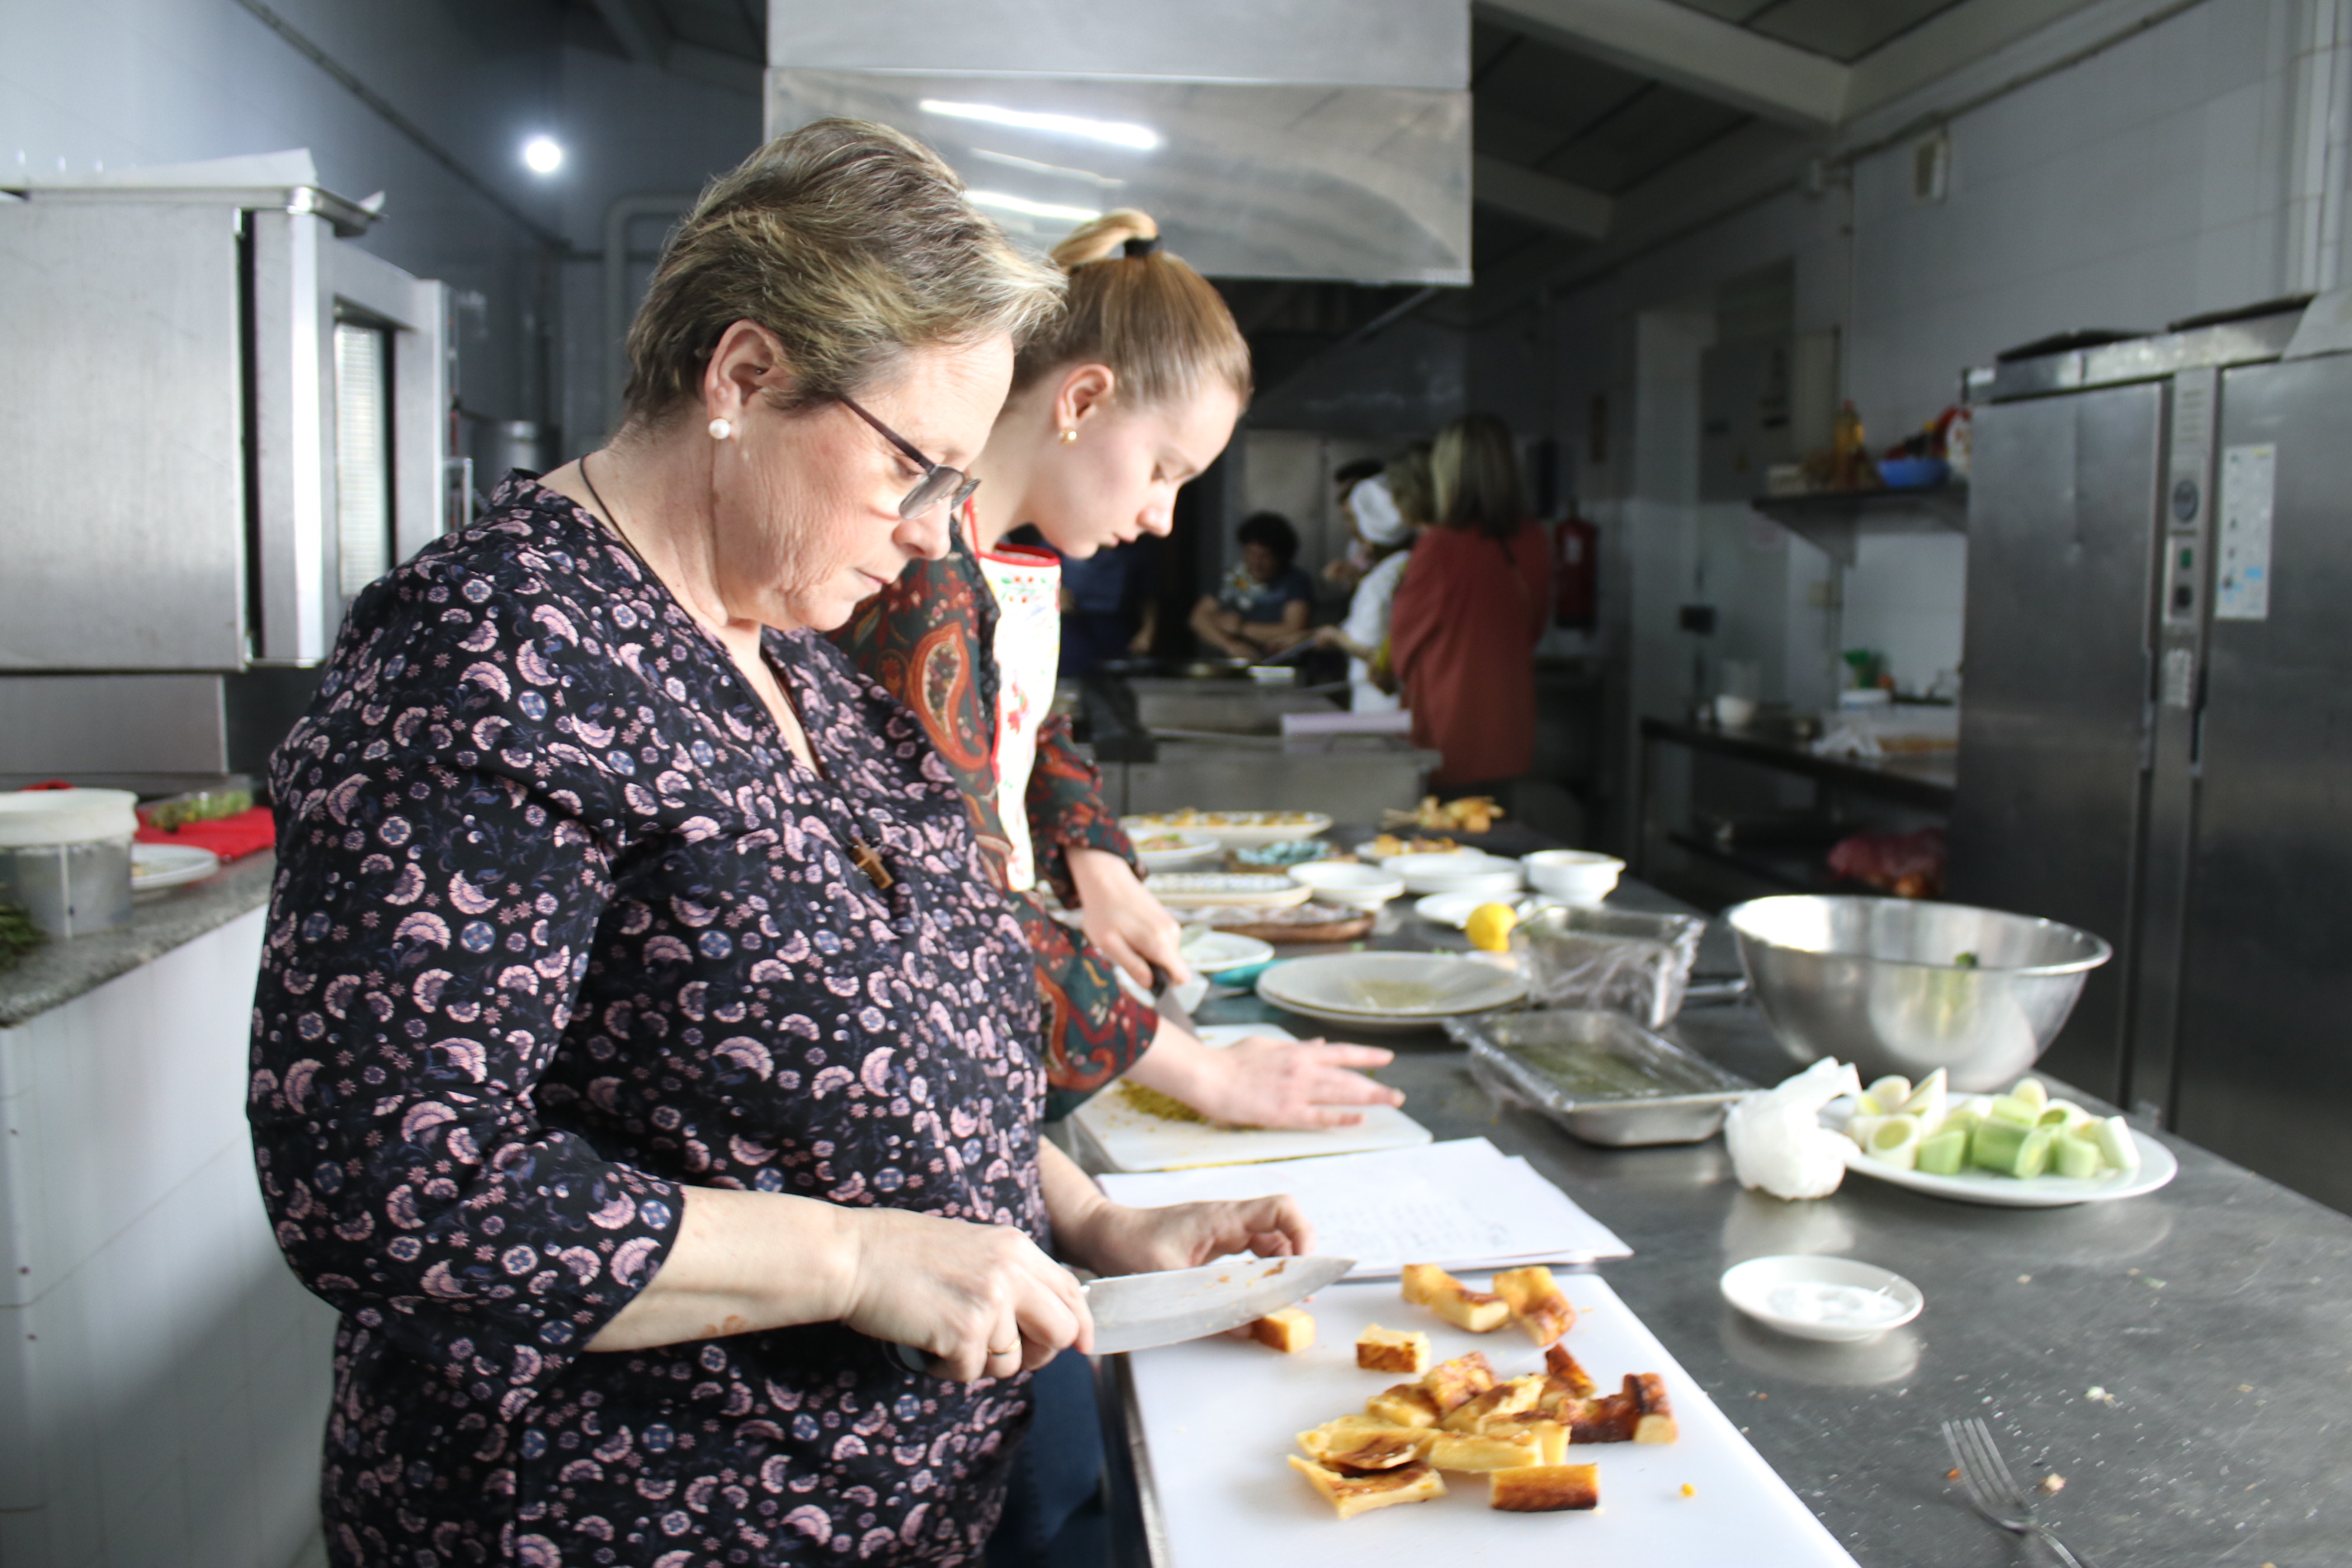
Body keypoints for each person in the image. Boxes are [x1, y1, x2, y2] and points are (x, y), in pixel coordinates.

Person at [248, 122, 1312, 1567]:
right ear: (743, 377)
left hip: (897, 1496)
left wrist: (1082, 1222)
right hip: (617, 1509)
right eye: (918, 471)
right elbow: (387, 1181)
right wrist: (856, 1258)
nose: (941, 536)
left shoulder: (791, 649)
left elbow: (923, 1021)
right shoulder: (490, 657)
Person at [828, 205, 1399, 1564]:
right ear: (1080, 400)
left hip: (975, 1133)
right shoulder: (916, 567)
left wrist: (1095, 849)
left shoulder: (984, 553)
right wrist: (1204, 1073)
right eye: (1163, 468)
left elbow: (1033, 724)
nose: (1161, 513)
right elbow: (948, 913)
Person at [1389, 413, 1554, 792]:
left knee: (1444, 842)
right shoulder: (1533, 539)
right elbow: (1533, 628)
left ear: (1445, 473)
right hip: (1509, 727)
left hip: (1449, 731)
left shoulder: (1440, 545)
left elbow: (1403, 646)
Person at [1315, 443, 1429, 712]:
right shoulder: (1397, 565)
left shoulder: (1392, 571)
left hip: (1380, 702)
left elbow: (1372, 649)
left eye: (1354, 520)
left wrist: (1335, 636)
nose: (1352, 529)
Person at [1190, 510, 1315, 657]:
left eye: (1264, 556)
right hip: (1229, 666)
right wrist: (1230, 645)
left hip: (1277, 665)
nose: (1256, 563)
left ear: (1281, 556)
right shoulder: (1232, 578)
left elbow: (1294, 630)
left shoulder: (1295, 581)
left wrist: (1242, 628)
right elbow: (1199, 619)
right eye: (1251, 553)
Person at [1322, 456, 1388, 591]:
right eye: (1347, 518)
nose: (1352, 526)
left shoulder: (1396, 544)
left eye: (1356, 517)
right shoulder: (1356, 546)